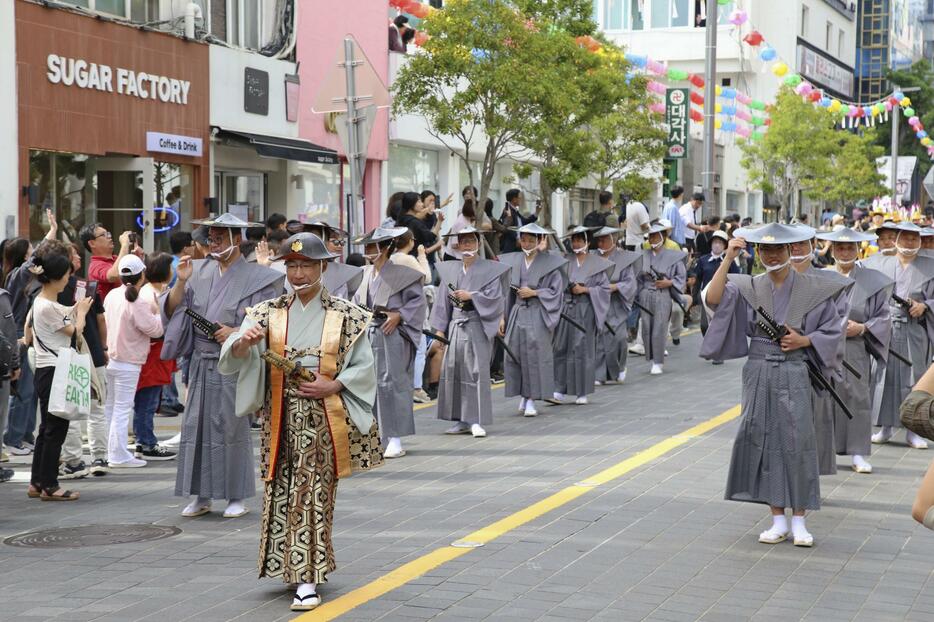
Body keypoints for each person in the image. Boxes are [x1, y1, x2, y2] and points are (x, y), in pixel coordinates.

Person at [219, 232, 383, 612]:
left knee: (311, 495)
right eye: (291, 265)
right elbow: (233, 354)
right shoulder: (267, 312)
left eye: (306, 264)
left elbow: (364, 367)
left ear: (322, 266)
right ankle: (292, 565)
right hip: (279, 416)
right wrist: (245, 343)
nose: (297, 273)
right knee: (281, 489)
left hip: (323, 417)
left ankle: (308, 578)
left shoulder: (346, 314)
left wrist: (335, 384)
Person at [702, 223, 847, 547]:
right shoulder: (748, 286)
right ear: (758, 252)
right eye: (765, 249)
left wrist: (805, 339)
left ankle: (800, 520)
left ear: (791, 250)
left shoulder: (813, 287)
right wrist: (728, 258)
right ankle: (777, 518)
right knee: (761, 437)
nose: (771, 255)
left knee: (797, 441)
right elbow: (713, 300)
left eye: (778, 249)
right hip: (758, 370)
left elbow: (834, 331)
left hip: (795, 369)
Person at [161, 213, 285, 518]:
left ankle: (235, 495)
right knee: (195, 426)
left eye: (219, 238)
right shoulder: (196, 271)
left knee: (231, 427)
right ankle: (200, 495)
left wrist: (237, 332)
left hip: (235, 359)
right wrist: (180, 282)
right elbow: (175, 310)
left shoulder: (260, 277)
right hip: (201, 363)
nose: (213, 243)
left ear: (236, 239)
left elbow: (267, 318)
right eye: (210, 238)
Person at [816, 229, 892, 475]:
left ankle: (858, 453)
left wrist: (863, 327)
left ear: (858, 249)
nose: (845, 252)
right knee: (823, 399)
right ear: (833, 250)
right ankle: (822, 454)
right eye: (840, 248)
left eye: (850, 248)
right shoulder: (820, 277)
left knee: (857, 397)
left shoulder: (873, 280)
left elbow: (883, 316)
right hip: (823, 347)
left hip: (855, 347)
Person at [26, 240, 94, 501]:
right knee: (56, 429)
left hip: (47, 370)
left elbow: (47, 323)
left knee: (46, 429)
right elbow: (75, 331)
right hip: (55, 371)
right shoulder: (48, 306)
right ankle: (50, 486)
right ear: (55, 278)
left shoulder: (41, 302)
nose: (68, 279)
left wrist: (76, 309)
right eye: (66, 275)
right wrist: (83, 313)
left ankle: (37, 482)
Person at [353, 227, 426, 459]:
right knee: (370, 385)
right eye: (365, 247)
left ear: (385, 248)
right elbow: (356, 302)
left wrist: (399, 314)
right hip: (369, 333)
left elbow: (417, 301)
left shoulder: (404, 273)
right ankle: (376, 436)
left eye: (371, 246)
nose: (367, 251)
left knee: (393, 384)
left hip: (392, 333)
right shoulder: (365, 273)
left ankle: (395, 437)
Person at [431, 227, 510, 438]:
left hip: (477, 324)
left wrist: (471, 295)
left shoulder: (489, 270)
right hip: (456, 325)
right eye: (463, 241)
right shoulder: (451, 271)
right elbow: (442, 303)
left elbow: (495, 298)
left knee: (476, 372)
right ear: (457, 245)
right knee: (454, 371)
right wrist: (440, 331)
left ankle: (476, 420)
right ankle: (460, 420)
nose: (467, 245)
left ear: (478, 243)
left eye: (471, 241)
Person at [789, 233, 853, 476]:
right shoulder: (774, 280)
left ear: (812, 245)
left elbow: (837, 325)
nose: (796, 248)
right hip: (781, 362)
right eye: (791, 245)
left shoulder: (830, 281)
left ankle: (809, 480)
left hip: (814, 363)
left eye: (801, 243)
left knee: (813, 424)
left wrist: (807, 340)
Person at [868, 222, 934, 449]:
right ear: (896, 240)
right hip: (886, 326)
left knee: (913, 376)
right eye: (905, 238)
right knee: (884, 375)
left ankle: (913, 430)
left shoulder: (930, 266)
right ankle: (885, 427)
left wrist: (925, 305)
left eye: (914, 239)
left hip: (915, 328)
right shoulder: (880, 264)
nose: (909, 243)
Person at [102, 254, 165, 468]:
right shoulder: (135, 299)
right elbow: (155, 329)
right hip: (128, 361)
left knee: (112, 407)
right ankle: (118, 455)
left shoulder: (112, 295)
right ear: (143, 275)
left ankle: (111, 452)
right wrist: (158, 312)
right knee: (121, 408)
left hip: (111, 358)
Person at [498, 224, 566, 417]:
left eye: (531, 240)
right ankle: (523, 393)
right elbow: (506, 293)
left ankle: (531, 398)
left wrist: (535, 292)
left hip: (537, 312)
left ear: (539, 241)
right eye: (524, 239)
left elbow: (556, 291)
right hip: (518, 312)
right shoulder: (514, 261)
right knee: (516, 354)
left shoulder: (549, 263)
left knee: (535, 357)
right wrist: (503, 317)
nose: (526, 243)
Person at [58, 243, 109, 478]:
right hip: (93, 352)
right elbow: (100, 320)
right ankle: (99, 457)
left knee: (71, 409)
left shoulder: (50, 289)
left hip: (65, 354)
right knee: (96, 407)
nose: (79, 257)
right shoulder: (85, 286)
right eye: (75, 255)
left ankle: (74, 460)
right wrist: (104, 347)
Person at [551, 226, 611, 405]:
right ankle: (559, 388)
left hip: (586, 308)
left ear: (587, 242)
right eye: (574, 240)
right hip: (566, 307)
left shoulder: (596, 263)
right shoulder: (564, 261)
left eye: (579, 240)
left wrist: (585, 289)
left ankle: (581, 391)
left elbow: (604, 289)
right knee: (561, 347)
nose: (576, 243)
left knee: (582, 349)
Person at [131, 253, 178, 462]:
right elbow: (157, 325)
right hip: (152, 353)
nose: (174, 271)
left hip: (158, 353)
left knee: (150, 399)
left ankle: (144, 440)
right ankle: (146, 442)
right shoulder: (150, 293)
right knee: (147, 401)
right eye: (171, 267)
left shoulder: (155, 291)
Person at [638, 221, 687, 375]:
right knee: (646, 325)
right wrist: (639, 292)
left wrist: (669, 282)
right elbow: (637, 277)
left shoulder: (673, 255)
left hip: (663, 294)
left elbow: (681, 276)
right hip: (646, 292)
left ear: (663, 236)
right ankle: (651, 357)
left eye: (655, 236)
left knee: (659, 326)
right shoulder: (643, 254)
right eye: (650, 236)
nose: (652, 239)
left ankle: (658, 361)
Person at [592, 227, 640, 384]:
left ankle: (620, 367)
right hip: (598, 302)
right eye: (599, 240)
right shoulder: (592, 257)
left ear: (613, 240)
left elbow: (630, 282)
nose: (601, 243)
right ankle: (600, 374)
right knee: (599, 339)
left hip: (616, 303)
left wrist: (616, 287)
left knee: (618, 338)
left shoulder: (623, 258)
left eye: (604, 239)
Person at [80, 223, 141, 303]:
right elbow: (114, 275)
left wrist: (139, 258)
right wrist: (125, 245)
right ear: (92, 243)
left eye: (108, 233)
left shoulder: (116, 259)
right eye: (103, 235)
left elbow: (139, 278)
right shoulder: (94, 265)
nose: (109, 237)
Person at [498, 189, 538, 254]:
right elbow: (508, 227)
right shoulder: (507, 210)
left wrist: (537, 213)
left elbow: (524, 222)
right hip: (510, 246)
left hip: (517, 244)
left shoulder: (515, 211)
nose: (521, 200)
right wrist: (517, 238)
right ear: (514, 199)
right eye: (520, 198)